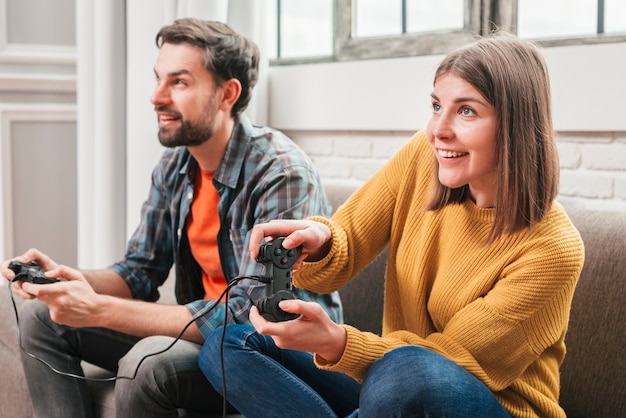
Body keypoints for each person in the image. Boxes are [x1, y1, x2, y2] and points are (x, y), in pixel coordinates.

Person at [198, 31, 585, 418]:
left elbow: (450, 359)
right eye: (436, 106)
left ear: (515, 126)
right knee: (226, 345)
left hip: (477, 401)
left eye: (466, 110)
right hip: (393, 386)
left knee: (408, 372)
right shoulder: (425, 155)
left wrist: (336, 342)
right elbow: (346, 240)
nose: (439, 130)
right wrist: (320, 240)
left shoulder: (552, 249)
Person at [0, 18, 341, 418]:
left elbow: (249, 313)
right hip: (206, 340)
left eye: (179, 82)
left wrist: (99, 309)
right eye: (158, 78)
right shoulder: (176, 164)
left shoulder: (281, 173)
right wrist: (64, 278)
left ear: (226, 94)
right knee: (42, 316)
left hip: (263, 354)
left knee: (148, 362)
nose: (156, 97)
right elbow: (139, 271)